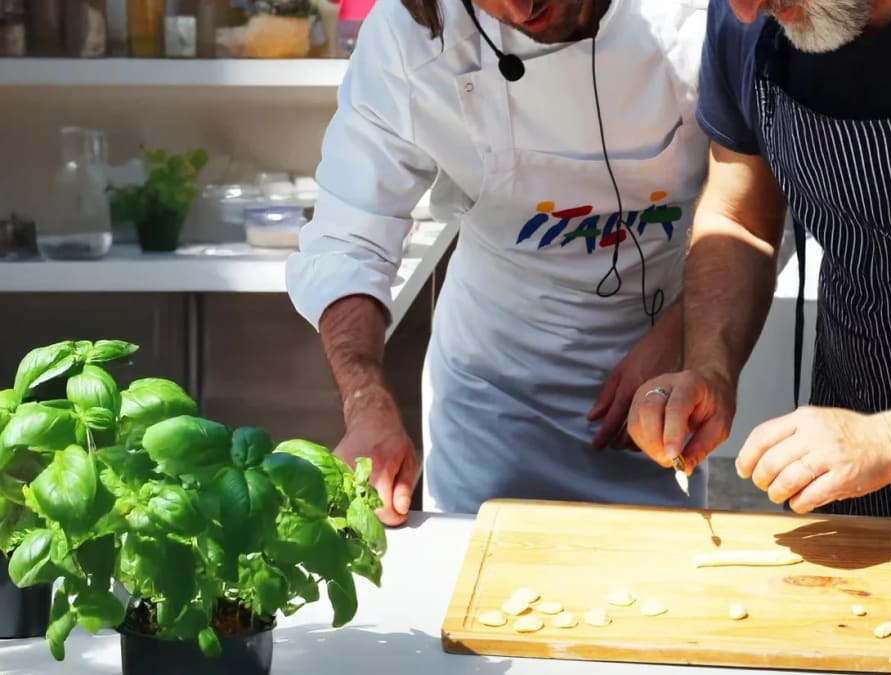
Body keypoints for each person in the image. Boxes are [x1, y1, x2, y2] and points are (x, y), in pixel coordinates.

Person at [286, 0, 711, 525]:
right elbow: (349, 238)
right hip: (492, 403)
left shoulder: (694, 21)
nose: (521, 6)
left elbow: (756, 207)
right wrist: (365, 400)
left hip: (658, 405)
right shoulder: (409, 35)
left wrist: (686, 329)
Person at [628, 0, 891, 517]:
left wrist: (887, 439)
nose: (746, 10)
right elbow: (740, 218)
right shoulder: (747, 23)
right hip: (849, 432)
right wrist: (710, 369)